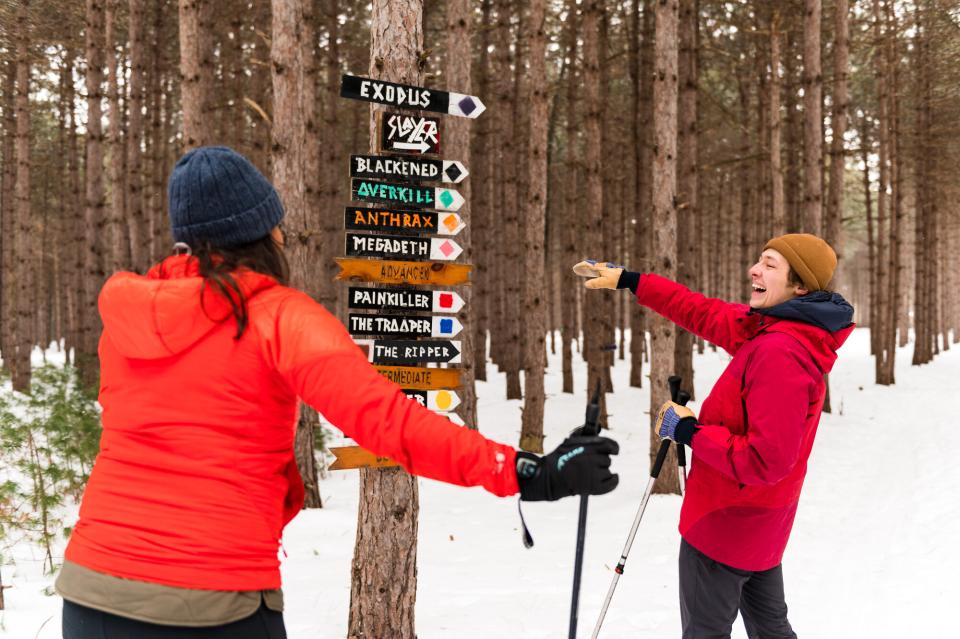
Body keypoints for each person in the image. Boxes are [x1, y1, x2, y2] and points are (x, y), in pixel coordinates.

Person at [57, 146, 620, 639]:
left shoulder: (127, 318)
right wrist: (526, 471)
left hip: (91, 592)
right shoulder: (278, 316)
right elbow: (389, 422)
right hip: (212, 598)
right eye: (276, 224)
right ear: (263, 231)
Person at [575, 233, 854, 639]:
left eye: (770, 265)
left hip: (725, 525)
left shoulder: (780, 352)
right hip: (759, 524)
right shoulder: (774, 330)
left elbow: (766, 460)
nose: (754, 270)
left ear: (801, 287)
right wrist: (633, 280)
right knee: (771, 628)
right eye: (759, 259)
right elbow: (701, 311)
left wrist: (690, 430)